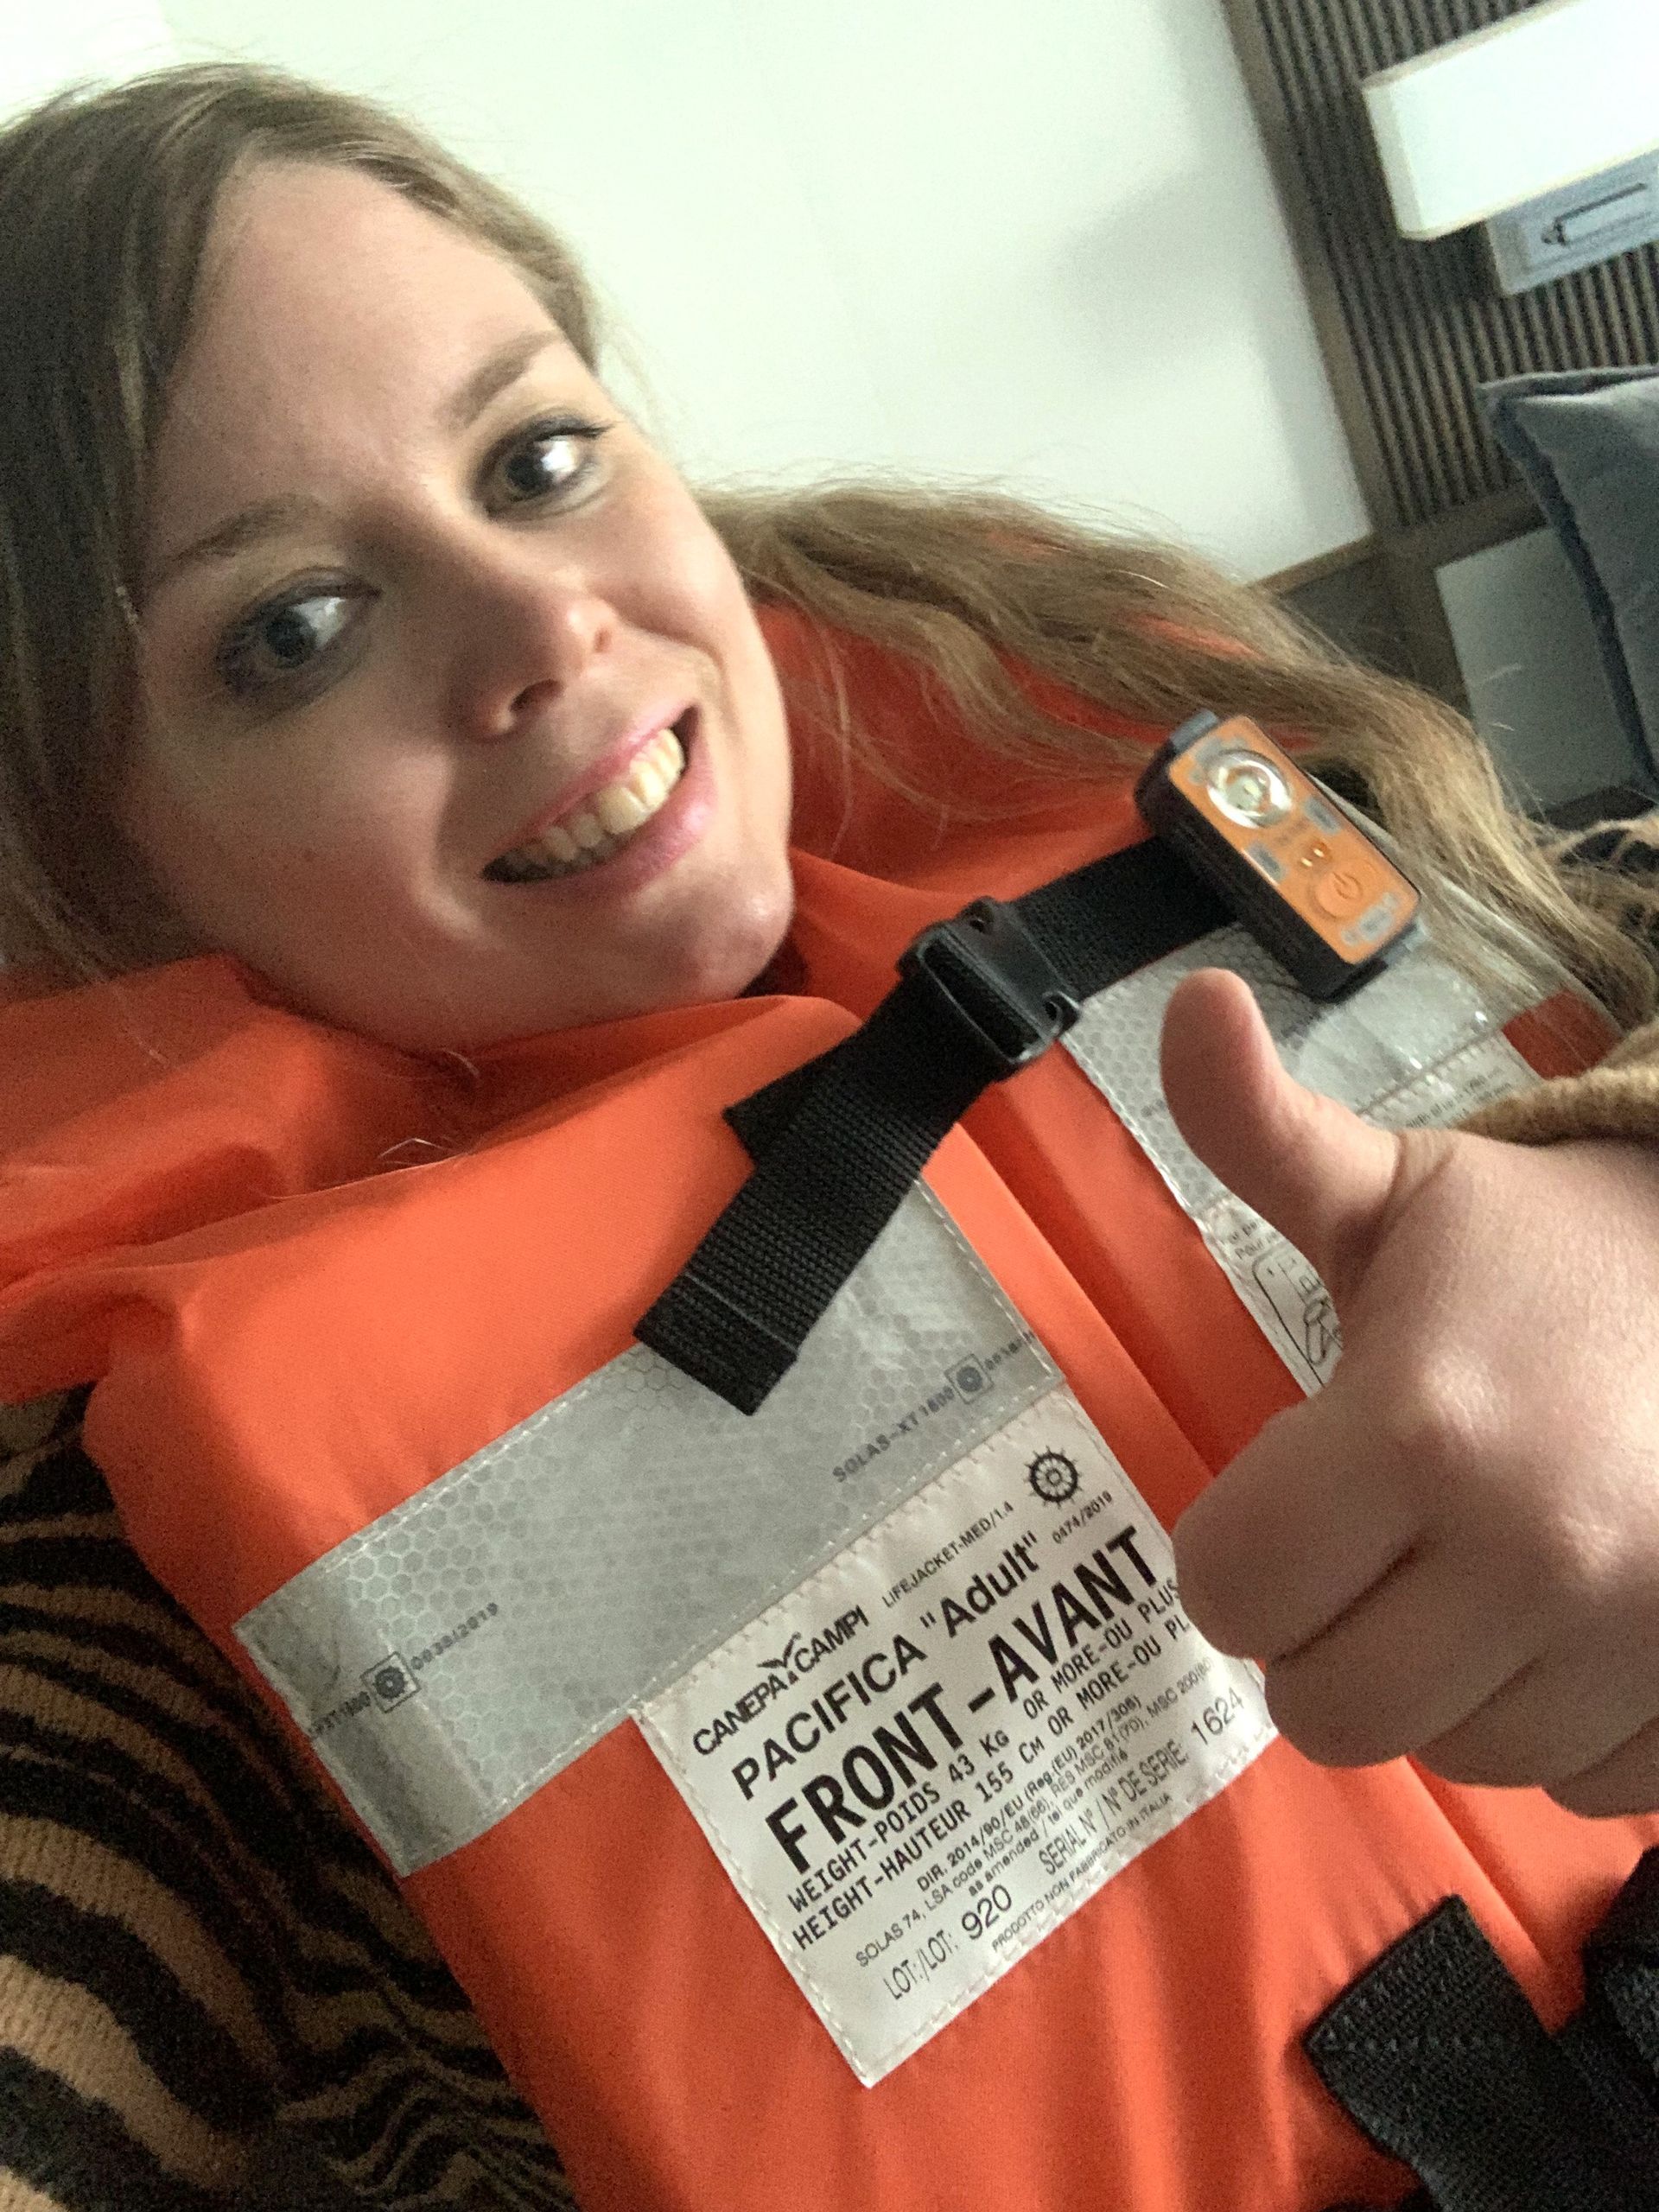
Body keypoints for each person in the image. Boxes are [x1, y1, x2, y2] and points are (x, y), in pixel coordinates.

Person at [5, 58, 1659, 2212]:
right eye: (293, 629)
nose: (543, 630)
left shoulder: (1115, 728)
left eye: (536, 456)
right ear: (104, 880)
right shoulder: (110, 1587)